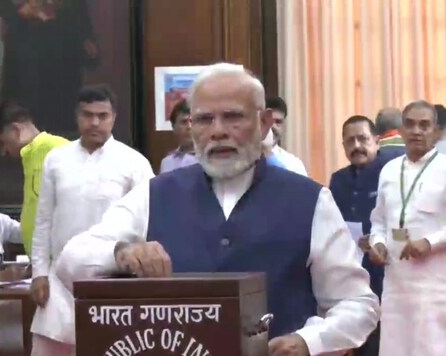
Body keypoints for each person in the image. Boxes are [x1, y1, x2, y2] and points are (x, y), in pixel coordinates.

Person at [56, 63, 379, 355]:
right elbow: (72, 260)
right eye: (205, 119)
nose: (218, 130)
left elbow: (357, 304)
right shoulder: (155, 194)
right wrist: (122, 253)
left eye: (233, 116)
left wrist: (310, 340)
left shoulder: (310, 200)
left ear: (264, 123)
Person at [30, 85, 154, 355]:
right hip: (59, 281)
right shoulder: (56, 160)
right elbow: (44, 221)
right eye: (88, 115)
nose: (95, 122)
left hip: (114, 279)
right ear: (77, 116)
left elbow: (148, 225)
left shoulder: (134, 163)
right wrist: (38, 273)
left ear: (114, 117)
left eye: (102, 115)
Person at [369, 100, 446, 356]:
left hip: (433, 289)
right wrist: (377, 243)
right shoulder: (389, 170)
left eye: (424, 125)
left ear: (436, 131)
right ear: (401, 130)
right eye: (410, 124)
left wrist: (430, 242)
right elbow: (379, 220)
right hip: (395, 286)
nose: (417, 131)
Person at [329, 115, 404, 356]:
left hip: (389, 272)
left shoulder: (393, 174)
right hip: (351, 274)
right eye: (350, 141)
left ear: (377, 141)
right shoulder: (338, 180)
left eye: (362, 139)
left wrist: (380, 240)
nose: (357, 146)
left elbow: (407, 224)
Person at [0, 0, 99, 134]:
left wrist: (87, 39)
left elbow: (79, 10)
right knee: (26, 114)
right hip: (26, 46)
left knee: (63, 117)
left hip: (64, 48)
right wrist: (18, 11)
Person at [0, 101, 68, 256]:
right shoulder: (29, 157)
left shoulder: (60, 150)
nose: (3, 152)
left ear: (16, 130)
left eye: (2, 143)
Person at [265, 96, 308, 175]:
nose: (273, 126)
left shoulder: (293, 165)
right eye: (269, 120)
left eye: (278, 122)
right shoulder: (244, 160)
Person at [159, 99, 197, 173]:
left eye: (193, 121)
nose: (189, 126)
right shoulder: (167, 162)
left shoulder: (210, 160)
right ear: (174, 127)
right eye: (184, 122)